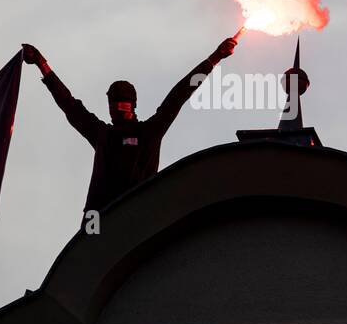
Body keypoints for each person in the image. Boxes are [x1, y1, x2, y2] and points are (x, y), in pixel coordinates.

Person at [22, 35, 237, 214]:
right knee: (89, 253)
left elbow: (180, 93)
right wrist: (42, 64)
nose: (115, 108)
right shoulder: (102, 134)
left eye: (120, 102)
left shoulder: (148, 132)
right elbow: (69, 104)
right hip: (97, 219)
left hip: (138, 215)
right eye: (112, 103)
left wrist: (215, 58)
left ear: (132, 105)